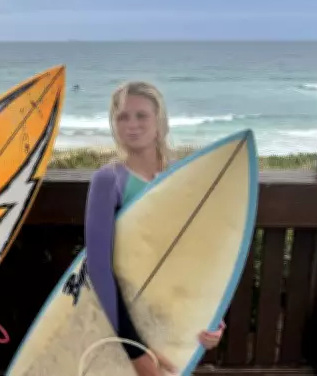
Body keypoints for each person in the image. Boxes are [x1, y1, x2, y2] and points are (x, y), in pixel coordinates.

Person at [85, 81, 225, 376]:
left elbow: (199, 253)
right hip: (126, 321)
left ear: (160, 121)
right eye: (122, 117)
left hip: (176, 317)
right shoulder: (109, 180)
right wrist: (136, 352)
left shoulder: (183, 175)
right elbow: (99, 269)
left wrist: (214, 314)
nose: (132, 125)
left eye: (141, 116)